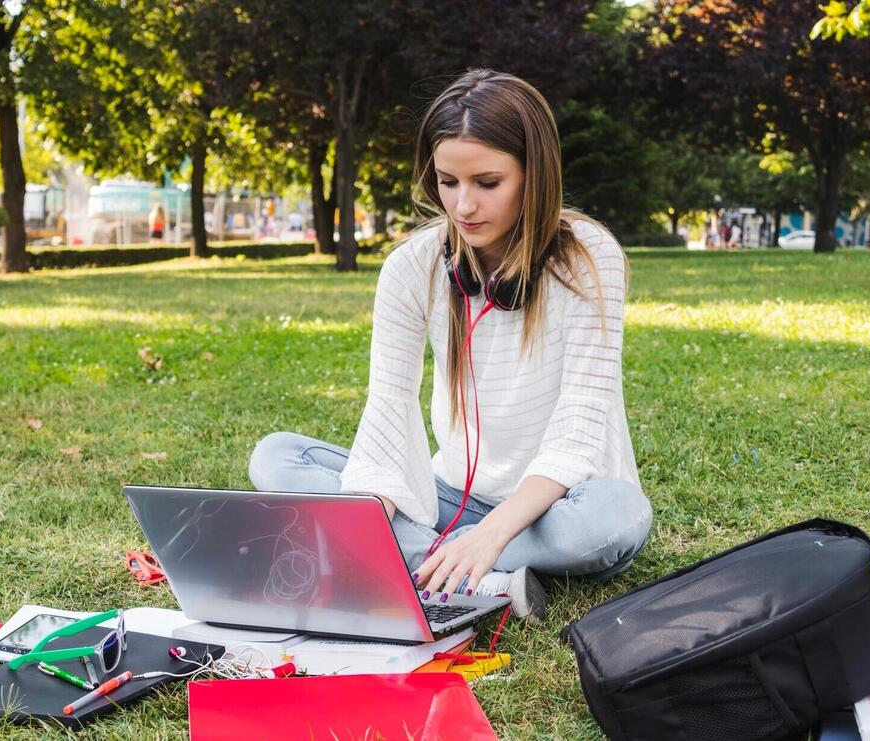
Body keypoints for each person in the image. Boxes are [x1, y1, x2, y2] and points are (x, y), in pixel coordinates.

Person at [247, 69, 652, 623]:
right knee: (277, 457)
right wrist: (373, 509)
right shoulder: (411, 267)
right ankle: (483, 578)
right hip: (445, 495)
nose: (463, 207)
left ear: (534, 176)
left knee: (619, 515)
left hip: (557, 507)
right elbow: (387, 407)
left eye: (487, 183)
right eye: (447, 182)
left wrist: (488, 533)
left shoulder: (588, 259)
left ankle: (423, 559)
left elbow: (579, 431)